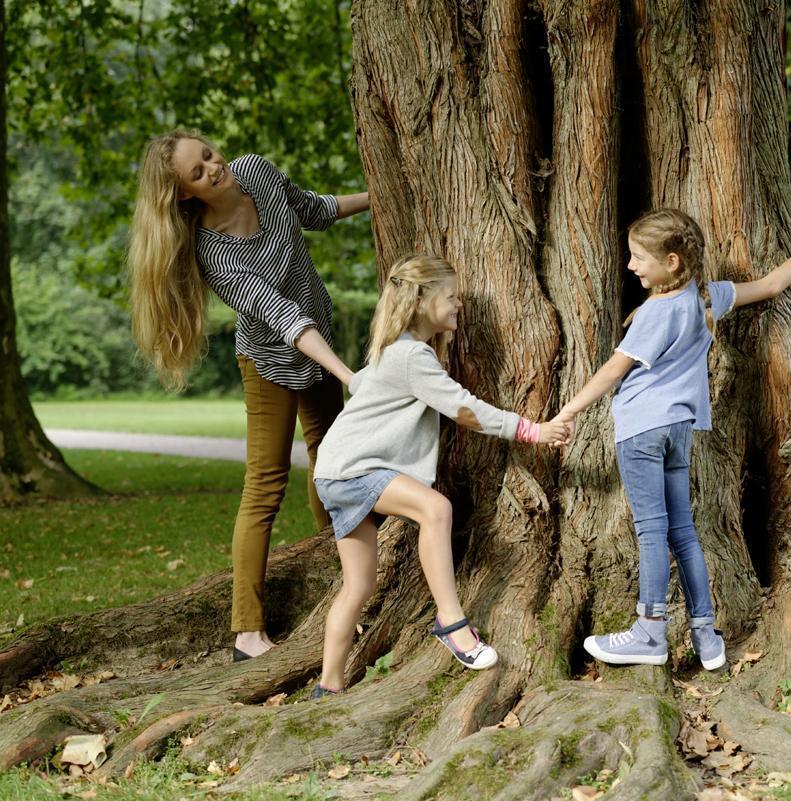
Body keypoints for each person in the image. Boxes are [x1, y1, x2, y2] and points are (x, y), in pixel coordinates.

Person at [128, 130, 373, 661]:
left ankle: (349, 584)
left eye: (208, 154)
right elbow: (281, 314)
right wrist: (348, 374)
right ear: (185, 193)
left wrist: (379, 196)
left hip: (318, 345)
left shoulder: (258, 172)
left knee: (333, 463)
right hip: (268, 362)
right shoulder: (213, 251)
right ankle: (247, 632)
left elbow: (314, 208)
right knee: (265, 484)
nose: (213, 167)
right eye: (198, 172)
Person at [553, 209, 791, 670]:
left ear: (672, 261)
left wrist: (568, 412)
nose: (631, 265)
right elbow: (770, 286)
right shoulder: (706, 297)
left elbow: (613, 371)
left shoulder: (656, 311)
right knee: (682, 531)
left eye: (639, 257)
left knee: (651, 532)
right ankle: (706, 635)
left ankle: (649, 632)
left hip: (641, 430)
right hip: (679, 430)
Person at [309, 255, 568, 695]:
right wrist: (531, 430)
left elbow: (364, 389)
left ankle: (328, 687)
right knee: (436, 509)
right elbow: (464, 409)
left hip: (334, 473)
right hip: (354, 471)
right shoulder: (411, 355)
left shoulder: (393, 351)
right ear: (420, 301)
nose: (459, 304)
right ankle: (451, 622)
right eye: (450, 296)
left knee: (359, 585)